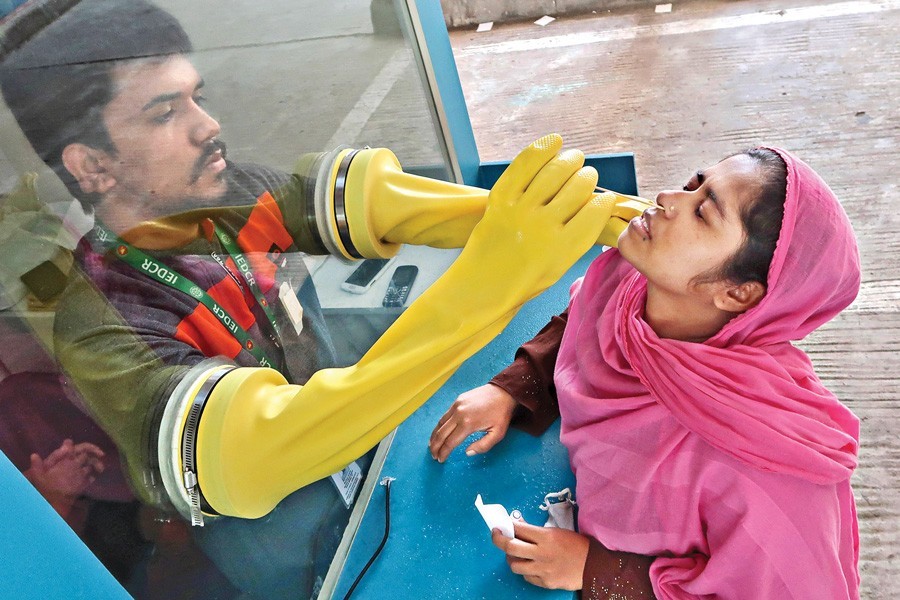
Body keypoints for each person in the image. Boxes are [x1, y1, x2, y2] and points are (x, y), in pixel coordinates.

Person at [0, 0, 633, 595]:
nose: (208, 126)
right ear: (90, 166)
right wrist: (498, 273)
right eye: (165, 113)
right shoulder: (103, 325)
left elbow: (371, 203)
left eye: (198, 98)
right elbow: (268, 449)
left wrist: (591, 218)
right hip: (278, 536)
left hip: (353, 452)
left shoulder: (220, 194)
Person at [430, 148, 862, 598]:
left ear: (737, 293)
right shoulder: (629, 290)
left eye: (703, 211)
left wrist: (597, 570)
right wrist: (516, 386)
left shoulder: (763, 461)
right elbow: (582, 321)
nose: (666, 198)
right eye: (693, 181)